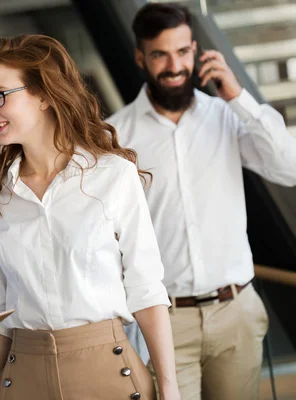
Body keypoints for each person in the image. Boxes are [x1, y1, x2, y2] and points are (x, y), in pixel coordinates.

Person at [0, 34, 180, 400]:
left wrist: (170, 389)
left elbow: (146, 290)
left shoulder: (113, 176)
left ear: (44, 95)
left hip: (109, 372)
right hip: (23, 378)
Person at [106, 3, 296, 400]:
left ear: (196, 51)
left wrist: (239, 97)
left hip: (235, 313)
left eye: (182, 52)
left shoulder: (227, 116)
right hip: (164, 320)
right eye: (160, 54)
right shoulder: (115, 136)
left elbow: (290, 168)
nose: (174, 65)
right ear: (141, 57)